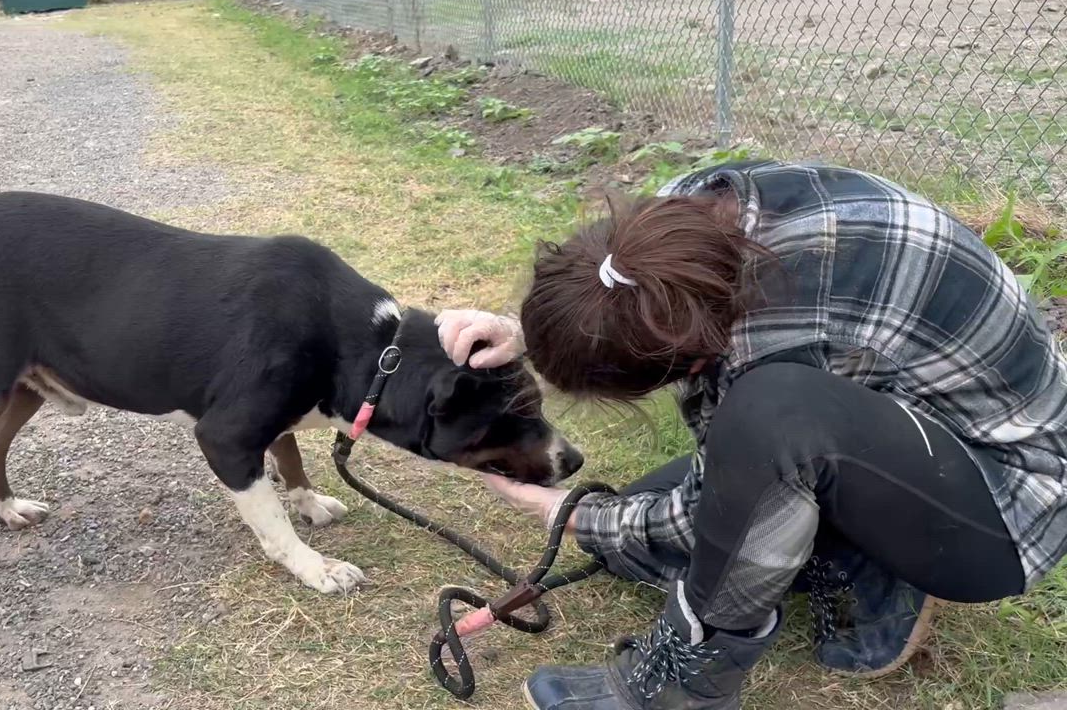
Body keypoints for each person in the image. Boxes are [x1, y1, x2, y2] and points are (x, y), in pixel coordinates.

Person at [435, 160, 1067, 710]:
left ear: (689, 362)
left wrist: (568, 515)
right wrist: (535, 326)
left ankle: (684, 689)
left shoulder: (777, 334)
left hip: (1006, 506)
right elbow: (617, 292)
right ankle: (860, 558)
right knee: (636, 536)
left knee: (766, 423)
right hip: (915, 430)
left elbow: (711, 509)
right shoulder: (684, 219)